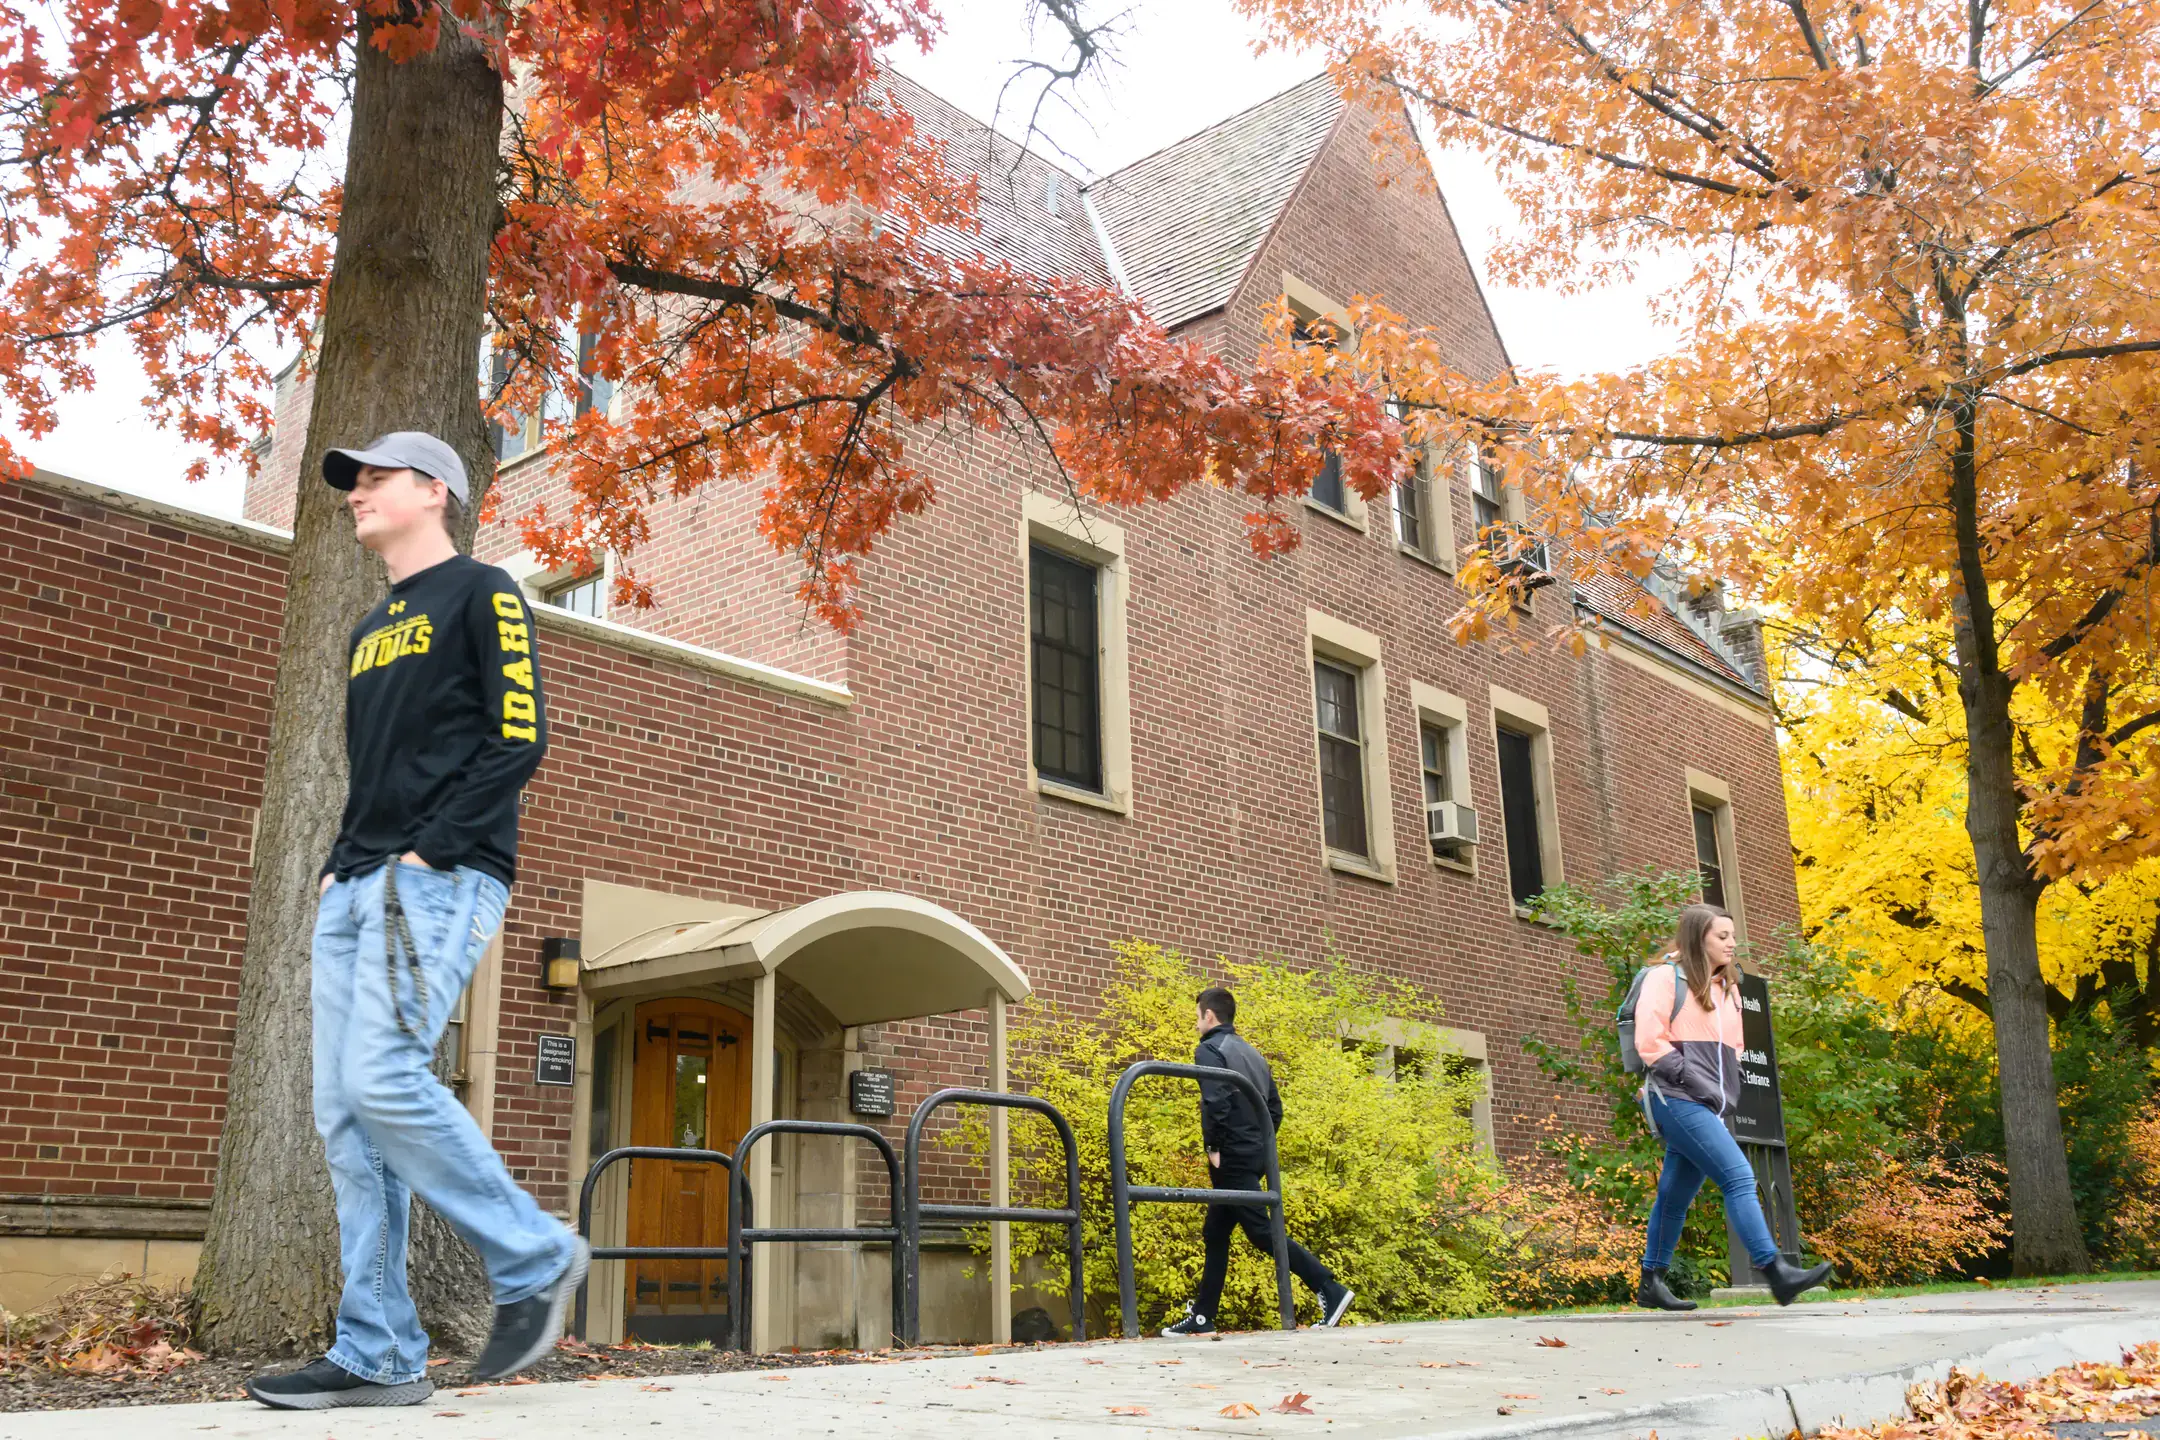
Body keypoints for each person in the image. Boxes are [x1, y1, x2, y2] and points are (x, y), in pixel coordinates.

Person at [247, 433, 589, 1410]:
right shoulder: (366, 630)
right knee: (348, 1122)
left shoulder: (488, 593)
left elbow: (519, 734)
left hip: (437, 880)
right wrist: (333, 867)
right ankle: (379, 1351)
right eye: (350, 481)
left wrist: (430, 851)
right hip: (356, 885)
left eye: (375, 477)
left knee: (386, 1078)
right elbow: (375, 769)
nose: (355, 492)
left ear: (434, 491)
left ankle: (535, 1254)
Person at [1635, 904, 1831, 1311]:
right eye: (1721, 936)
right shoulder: (1664, 979)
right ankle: (1776, 1272)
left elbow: (1736, 1049)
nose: (1731, 942)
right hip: (1675, 1098)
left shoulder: (1728, 988)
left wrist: (1728, 1088)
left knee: (1674, 1196)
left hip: (1708, 1104)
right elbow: (1650, 1043)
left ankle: (1651, 1281)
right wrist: (1697, 1083)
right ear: (1698, 938)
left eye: (1732, 935)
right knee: (1739, 1177)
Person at [1161, 986, 1354, 1336]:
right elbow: (1275, 1110)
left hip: (1230, 1157)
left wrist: (1214, 1147)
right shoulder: (1252, 1053)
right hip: (1251, 1155)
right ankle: (1203, 1316)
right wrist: (1258, 1147)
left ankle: (1329, 1287)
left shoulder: (1209, 1050)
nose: (1195, 1025)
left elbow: (1214, 1101)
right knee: (1215, 1232)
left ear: (1209, 1016)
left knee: (1262, 1232)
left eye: (1197, 1017)